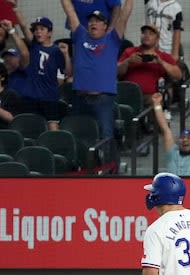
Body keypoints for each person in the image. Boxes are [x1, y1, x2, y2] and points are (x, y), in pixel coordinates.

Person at [62, 0, 135, 167]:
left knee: (106, 136)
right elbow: (69, 9)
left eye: (97, 21)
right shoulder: (80, 35)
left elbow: (125, 14)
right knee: (78, 134)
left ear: (105, 25)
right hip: (80, 98)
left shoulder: (113, 39)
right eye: (91, 21)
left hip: (102, 99)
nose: (93, 23)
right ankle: (81, 169)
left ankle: (110, 171)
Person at [14, 13, 72, 131]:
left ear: (49, 33)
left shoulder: (56, 51)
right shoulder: (34, 45)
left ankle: (55, 148)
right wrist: (15, 9)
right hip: (30, 96)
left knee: (53, 127)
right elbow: (23, 26)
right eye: (36, 29)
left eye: (42, 29)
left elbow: (67, 72)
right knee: (28, 128)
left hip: (49, 96)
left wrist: (66, 54)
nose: (38, 32)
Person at [117, 23, 182, 105]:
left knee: (154, 101)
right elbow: (115, 72)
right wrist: (128, 61)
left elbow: (178, 75)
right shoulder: (129, 52)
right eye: (144, 33)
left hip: (152, 96)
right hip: (129, 95)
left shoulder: (163, 56)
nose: (147, 35)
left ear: (157, 39)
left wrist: (161, 63)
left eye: (151, 34)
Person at [150, 92, 190, 175]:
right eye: (182, 138)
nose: (185, 140)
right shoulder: (172, 153)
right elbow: (165, 129)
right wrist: (157, 104)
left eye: (189, 138)